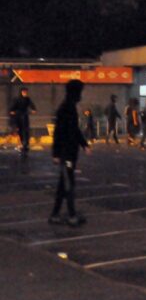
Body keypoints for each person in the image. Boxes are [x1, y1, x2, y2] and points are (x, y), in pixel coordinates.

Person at [49, 80, 90, 227]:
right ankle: (72, 216)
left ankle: (55, 215)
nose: (81, 96)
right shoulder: (66, 109)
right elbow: (58, 132)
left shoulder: (69, 107)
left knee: (63, 184)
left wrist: (84, 145)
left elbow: (74, 130)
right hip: (66, 153)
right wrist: (56, 153)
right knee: (68, 184)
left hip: (69, 152)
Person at [9, 87, 36, 154]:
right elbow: (13, 107)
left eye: (26, 92)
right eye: (24, 92)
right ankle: (22, 143)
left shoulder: (27, 99)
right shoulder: (17, 99)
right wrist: (12, 111)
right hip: (18, 116)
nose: (25, 93)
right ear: (21, 92)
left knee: (26, 130)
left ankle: (26, 144)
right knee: (20, 131)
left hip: (25, 116)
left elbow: (31, 104)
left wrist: (33, 109)